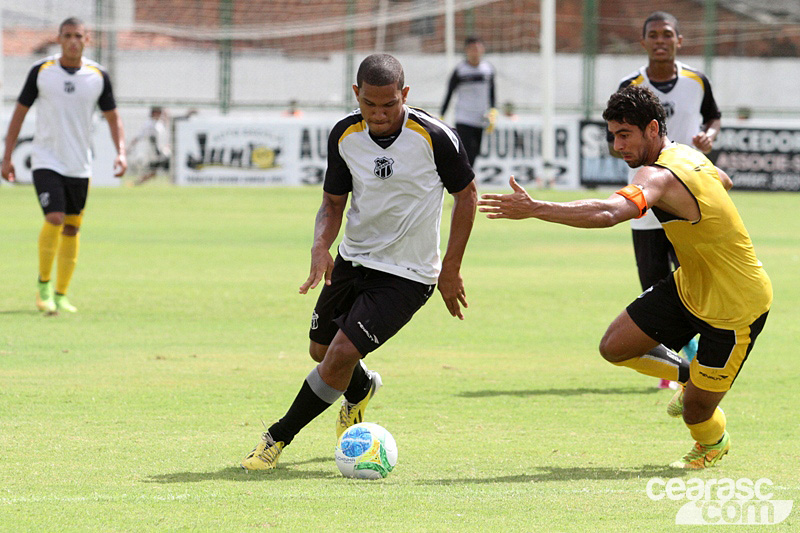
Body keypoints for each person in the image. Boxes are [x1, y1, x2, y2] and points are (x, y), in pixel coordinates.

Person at [478, 85, 771, 470]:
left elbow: (608, 213)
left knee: (695, 412)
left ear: (653, 129)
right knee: (615, 346)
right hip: (689, 287)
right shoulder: (686, 154)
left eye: (625, 135)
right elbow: (724, 180)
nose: (617, 146)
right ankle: (688, 375)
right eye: (613, 135)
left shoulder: (658, 174)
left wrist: (536, 208)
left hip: (735, 307)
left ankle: (712, 443)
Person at [241, 53, 477, 471]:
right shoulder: (345, 135)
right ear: (356, 94)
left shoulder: (435, 137)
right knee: (320, 351)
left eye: (389, 104)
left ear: (405, 94)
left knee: (339, 355)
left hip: (408, 274)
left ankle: (276, 438)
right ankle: (361, 387)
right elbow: (333, 203)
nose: (379, 114)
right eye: (370, 104)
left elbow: (467, 196)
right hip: (353, 259)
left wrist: (451, 269)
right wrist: (320, 246)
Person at [610, 11, 722, 387]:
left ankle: (697, 360)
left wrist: (709, 136)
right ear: (643, 42)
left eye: (667, 34)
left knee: (700, 282)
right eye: (654, 35)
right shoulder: (630, 85)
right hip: (645, 199)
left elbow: (713, 117)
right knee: (654, 286)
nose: (661, 40)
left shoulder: (697, 80)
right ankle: (677, 364)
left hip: (689, 198)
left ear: (679, 40)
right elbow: (614, 137)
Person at [1, 17, 127, 314]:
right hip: (46, 160)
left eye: (78, 36)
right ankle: (43, 286)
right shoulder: (42, 72)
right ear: (58, 39)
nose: (73, 41)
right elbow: (20, 113)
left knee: (72, 227)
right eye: (67, 35)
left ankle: (61, 294)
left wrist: (121, 152)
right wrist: (7, 156)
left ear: (87, 40)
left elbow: (113, 118)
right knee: (55, 217)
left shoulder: (97, 76)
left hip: (79, 164)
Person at [440, 36, 497, 167]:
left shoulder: (488, 69)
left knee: (476, 152)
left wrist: (493, 110)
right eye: (472, 49)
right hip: (463, 118)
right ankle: (465, 178)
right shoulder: (460, 70)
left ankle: (467, 176)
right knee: (466, 153)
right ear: (466, 51)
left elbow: (492, 92)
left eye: (478, 48)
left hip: (481, 118)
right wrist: (442, 114)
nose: (475, 52)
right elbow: (449, 93)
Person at [128, 106, 170, 186]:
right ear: (154, 113)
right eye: (159, 113)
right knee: (153, 171)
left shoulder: (159, 124)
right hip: (154, 153)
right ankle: (137, 182)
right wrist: (130, 147)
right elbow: (139, 136)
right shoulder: (149, 124)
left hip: (162, 152)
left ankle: (137, 182)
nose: (160, 115)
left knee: (155, 171)